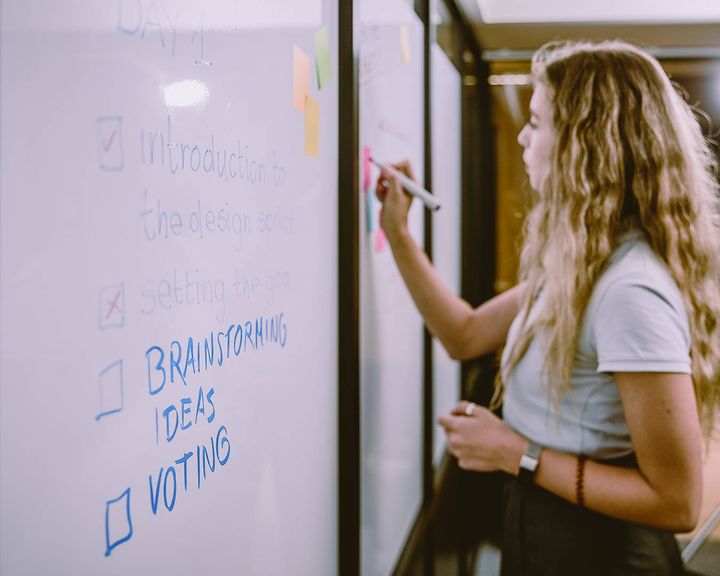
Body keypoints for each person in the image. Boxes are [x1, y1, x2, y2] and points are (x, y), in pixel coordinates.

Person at [375, 39, 720, 575]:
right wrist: (398, 235)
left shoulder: (629, 291)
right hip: (551, 540)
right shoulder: (579, 267)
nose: (521, 137)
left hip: (603, 558)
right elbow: (464, 334)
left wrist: (513, 451)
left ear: (586, 144)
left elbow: (677, 502)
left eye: (536, 123)